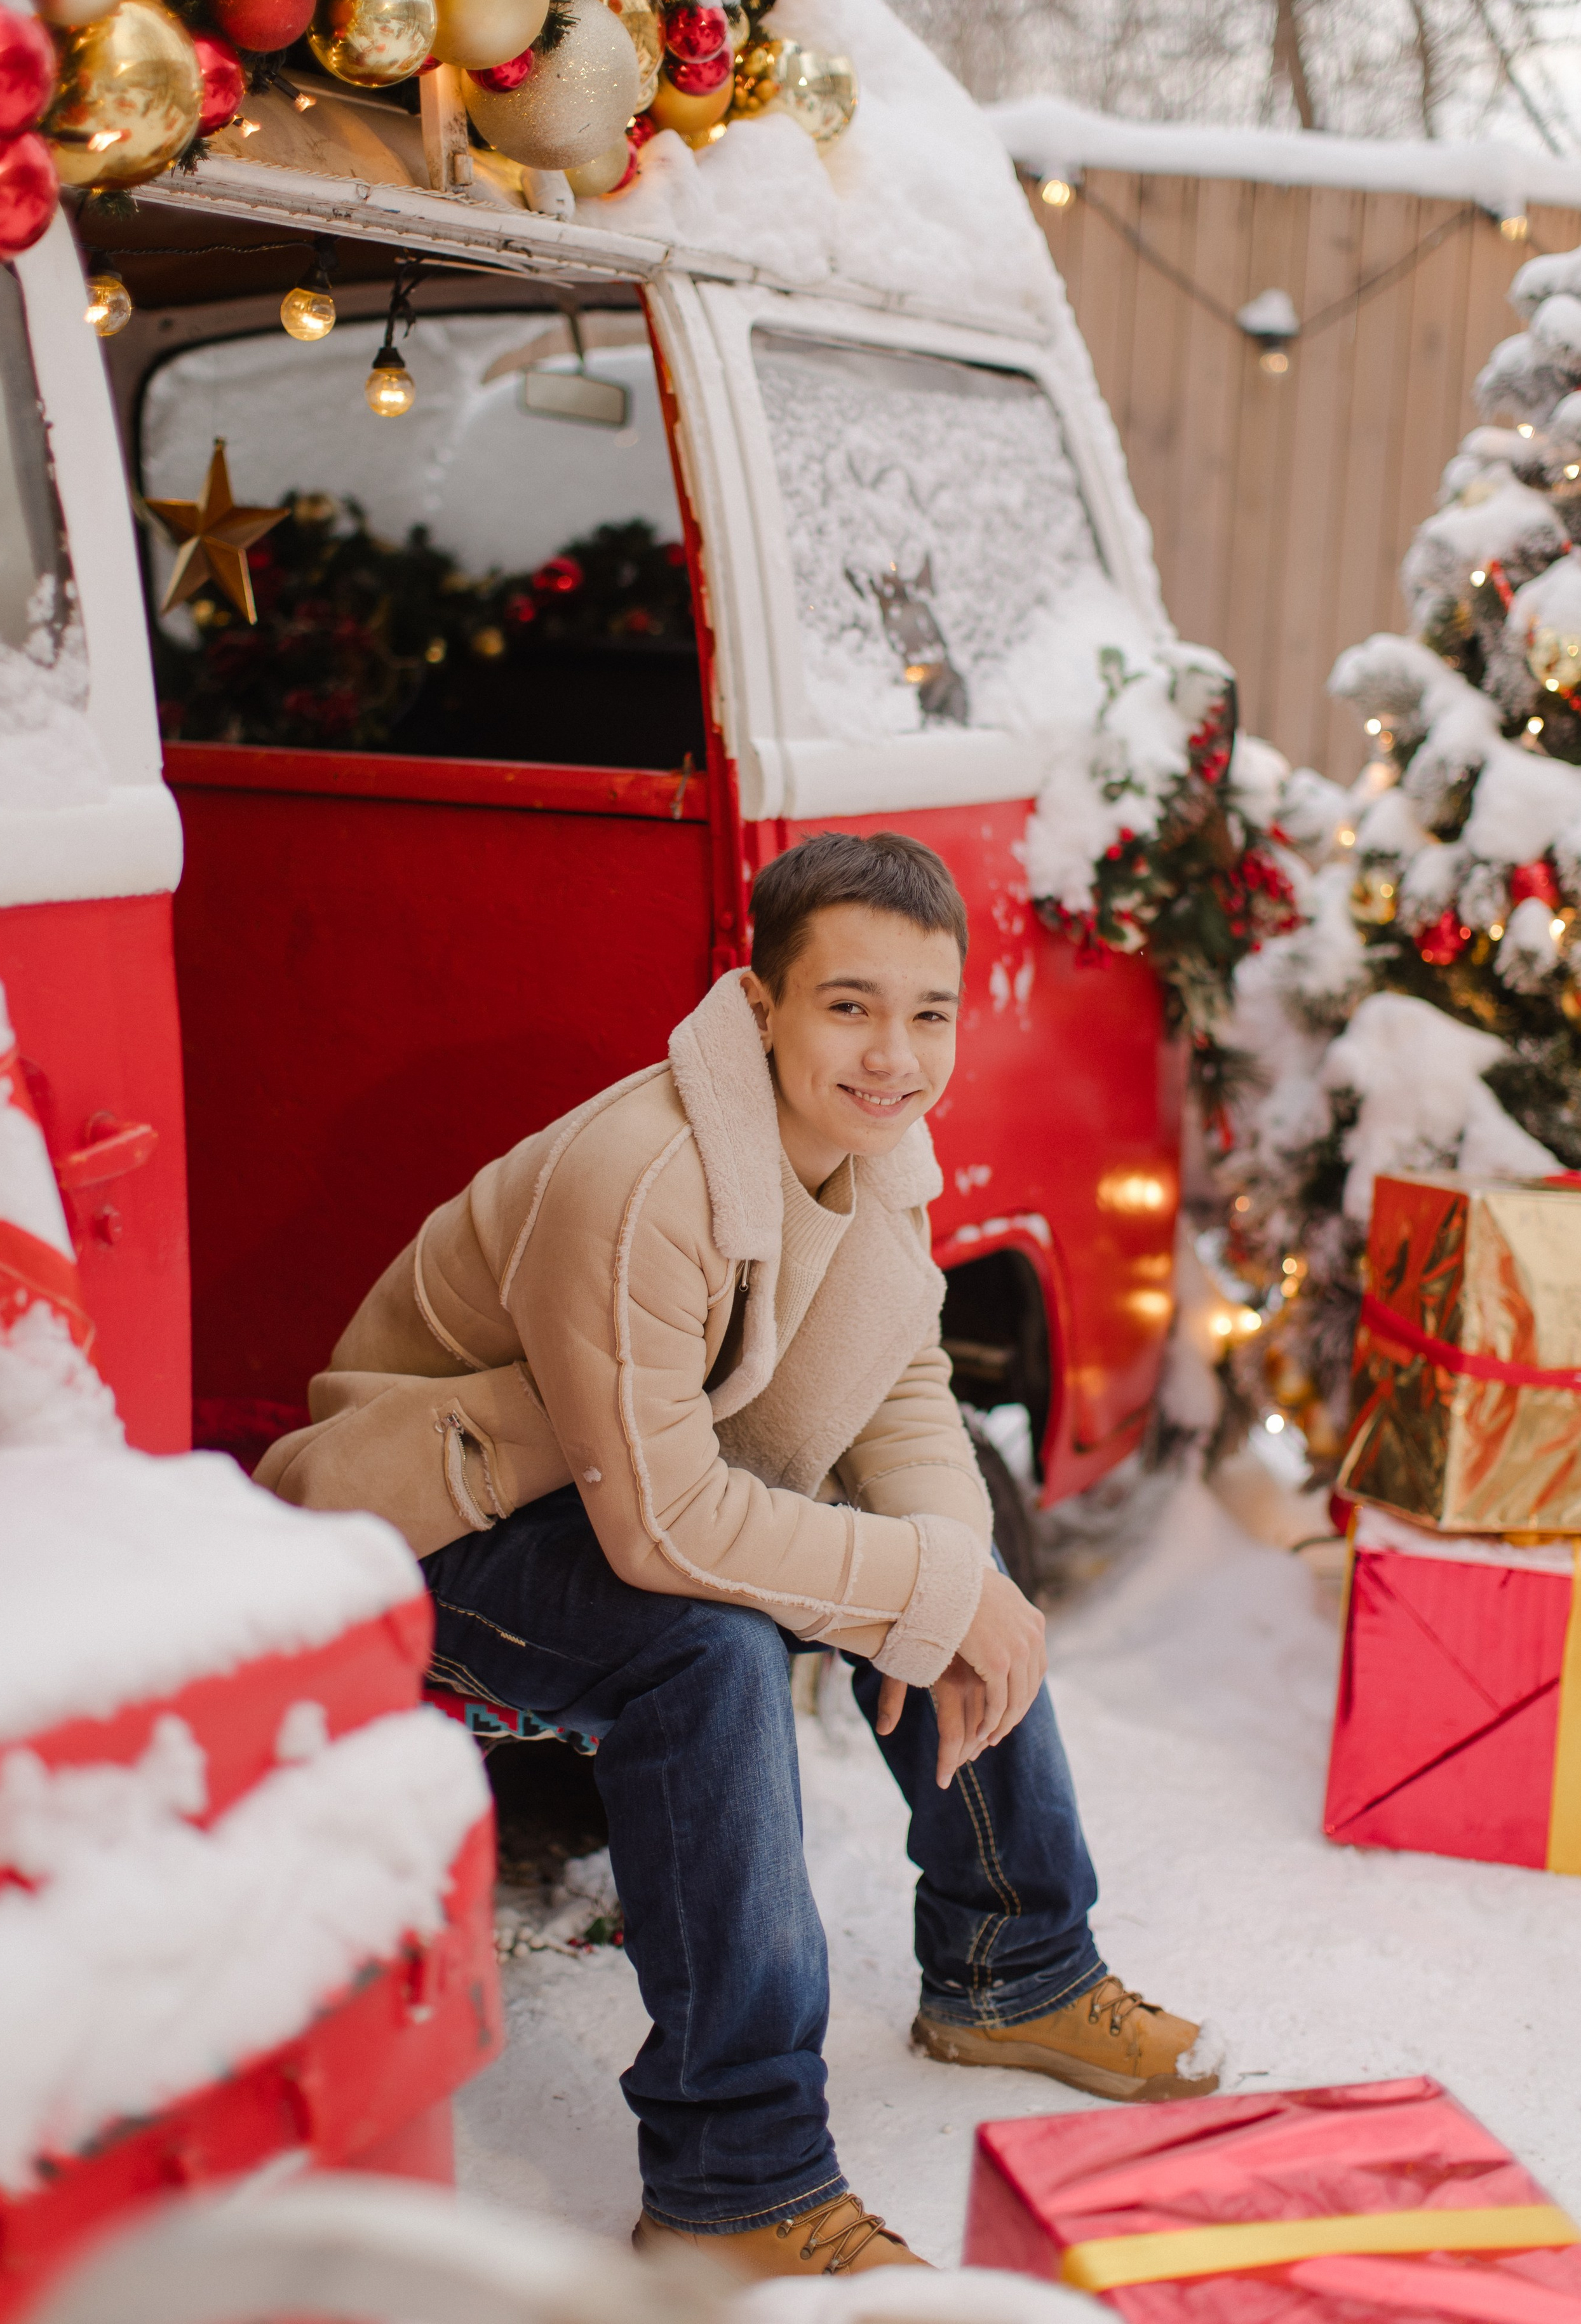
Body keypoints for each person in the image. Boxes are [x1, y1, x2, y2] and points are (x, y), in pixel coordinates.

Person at [260, 832, 1216, 2276]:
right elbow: (663, 1533)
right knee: (713, 1643)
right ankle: (735, 2181)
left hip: (613, 1491)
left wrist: (951, 1580)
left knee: (941, 1569)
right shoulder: (644, 1179)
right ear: (758, 1002)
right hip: (425, 1531)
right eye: (847, 1004)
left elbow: (902, 1397)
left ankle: (1013, 1965)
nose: (891, 1053)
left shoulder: (876, 1155)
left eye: (927, 1012)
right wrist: (921, 1590)